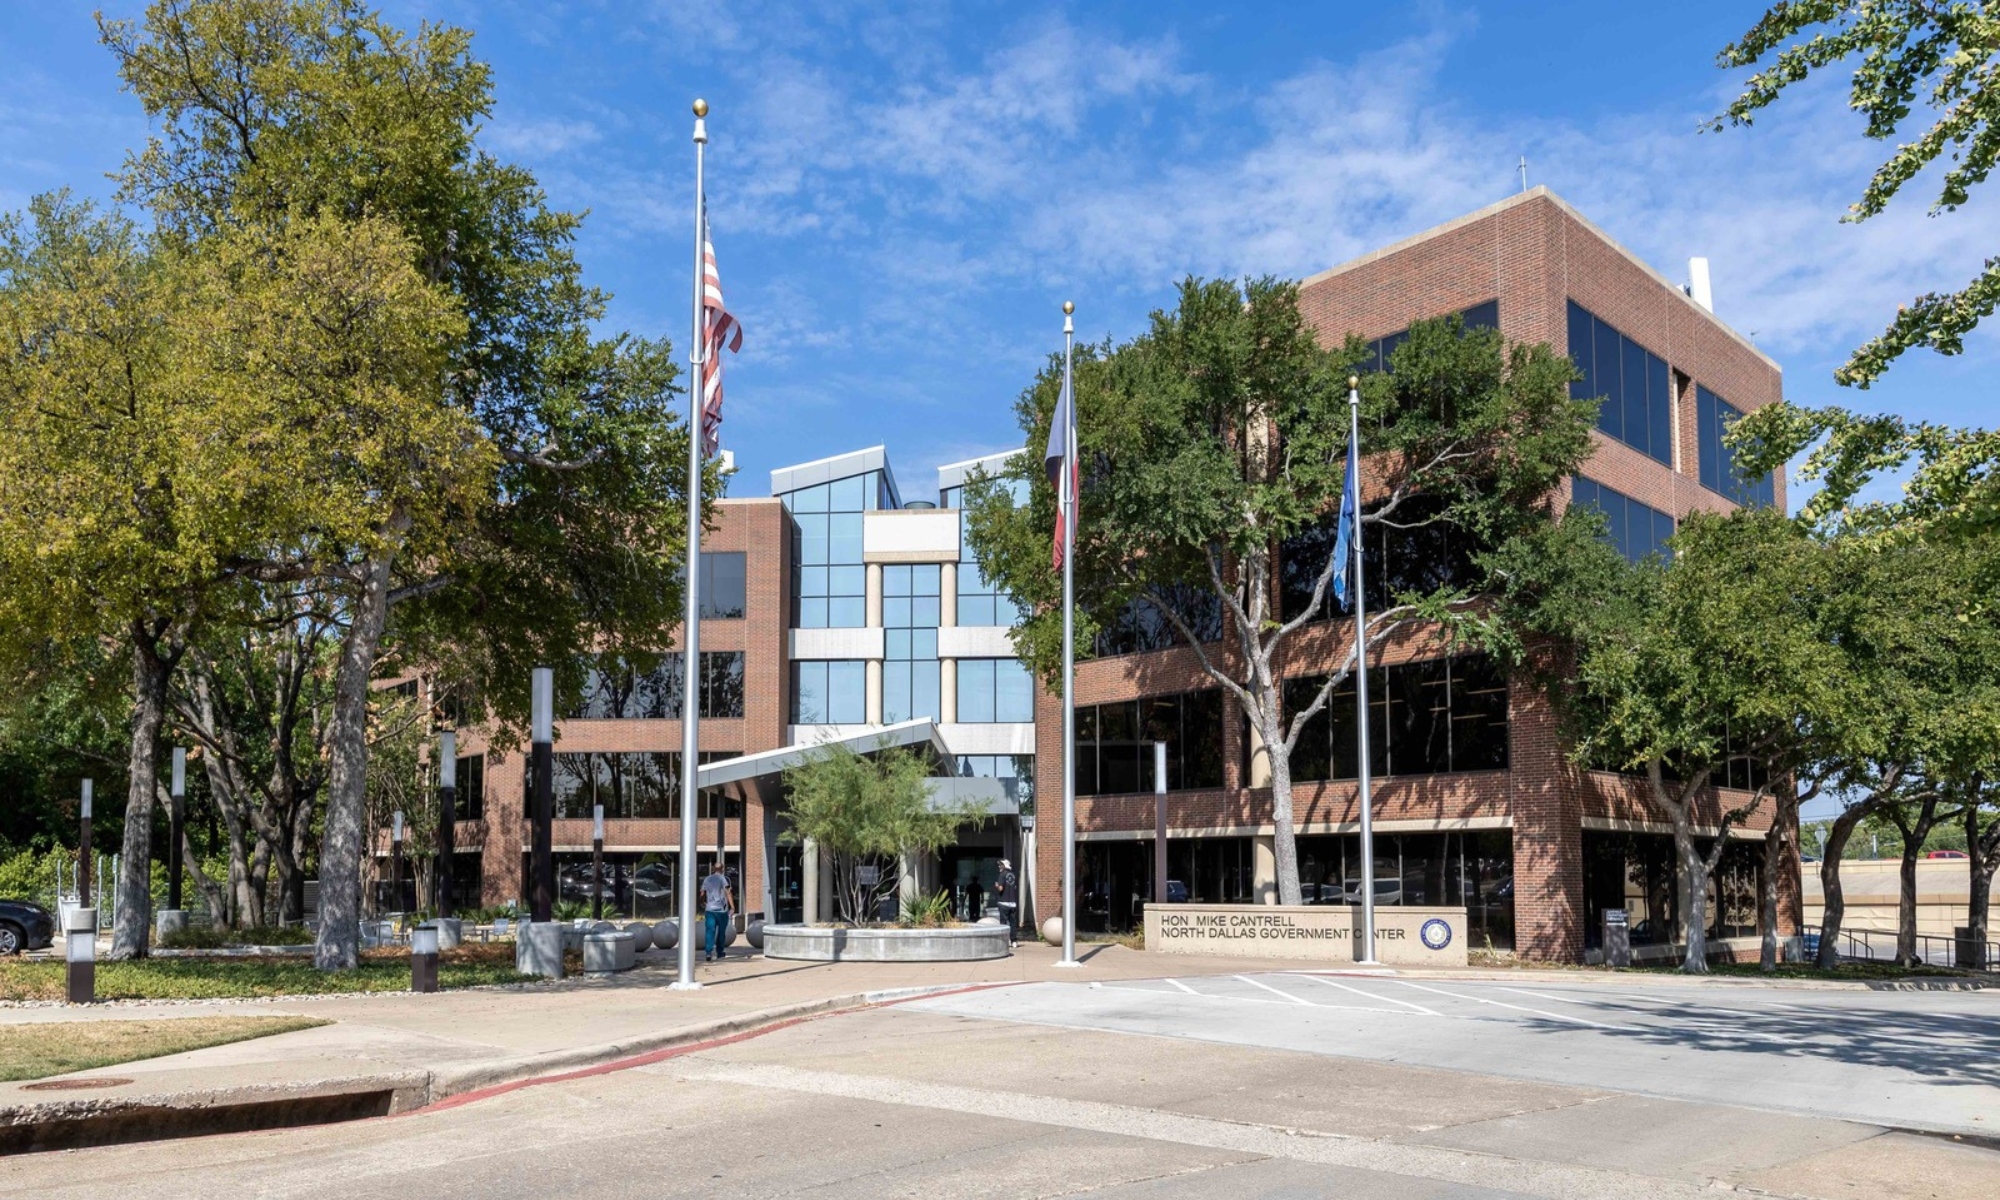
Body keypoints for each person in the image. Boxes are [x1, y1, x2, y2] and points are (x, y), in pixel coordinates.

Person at [701, 860, 735, 962]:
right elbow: (728, 892)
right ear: (722, 869)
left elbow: (702, 893)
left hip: (710, 910)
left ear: (713, 869)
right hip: (721, 910)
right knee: (721, 932)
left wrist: (702, 902)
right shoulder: (723, 879)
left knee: (710, 931)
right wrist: (732, 907)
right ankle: (720, 952)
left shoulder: (707, 879)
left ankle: (708, 952)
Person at [991, 858, 1020, 946]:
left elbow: (1001, 888)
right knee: (1013, 923)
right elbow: (1015, 887)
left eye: (1000, 865)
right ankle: (1014, 941)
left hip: (1003, 902)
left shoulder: (1002, 875)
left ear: (1004, 866)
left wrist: (997, 886)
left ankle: (1005, 941)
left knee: (1003, 923)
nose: (999, 866)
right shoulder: (1013, 875)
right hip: (1013, 903)